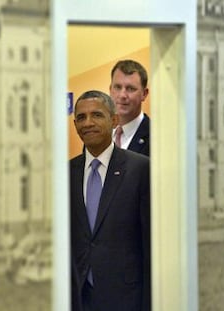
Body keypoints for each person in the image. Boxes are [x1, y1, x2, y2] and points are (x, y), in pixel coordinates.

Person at [70, 90, 151, 311]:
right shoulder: (65, 173)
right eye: (81, 117)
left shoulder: (141, 169)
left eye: (96, 115)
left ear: (114, 120)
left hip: (126, 298)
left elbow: (148, 245)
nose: (88, 123)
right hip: (77, 298)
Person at [109, 59, 150, 157]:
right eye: (118, 87)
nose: (122, 95)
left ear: (144, 94)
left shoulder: (156, 138)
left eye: (130, 89)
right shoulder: (98, 134)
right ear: (110, 90)